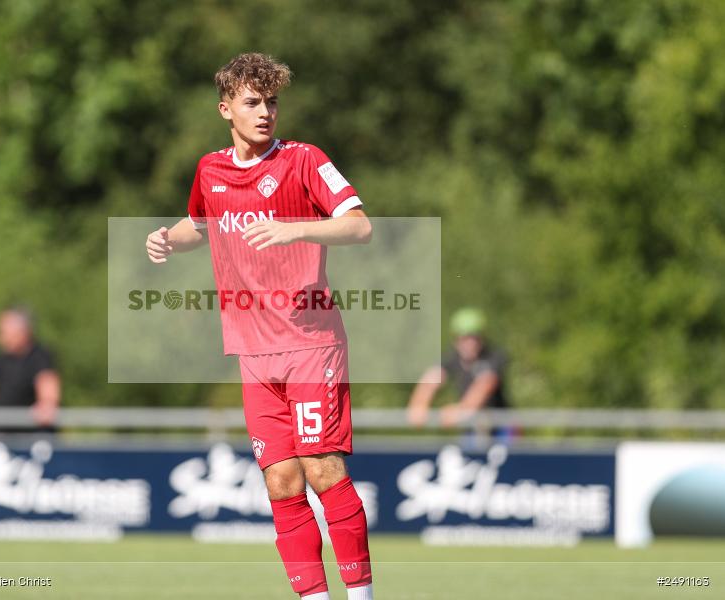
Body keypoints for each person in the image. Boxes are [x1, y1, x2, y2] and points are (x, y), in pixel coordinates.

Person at [145, 53, 374, 600]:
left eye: (272, 102)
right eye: (253, 102)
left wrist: (296, 230)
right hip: (253, 350)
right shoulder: (210, 170)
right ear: (226, 109)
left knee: (321, 468)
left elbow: (359, 226)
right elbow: (200, 223)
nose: (266, 112)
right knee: (281, 480)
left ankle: (360, 596)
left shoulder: (304, 161)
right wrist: (167, 239)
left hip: (310, 341)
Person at [406, 307, 509, 431]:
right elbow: (431, 379)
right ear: (456, 339)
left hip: (501, 426)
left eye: (474, 338)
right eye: (465, 338)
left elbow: (485, 385)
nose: (470, 344)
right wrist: (418, 407)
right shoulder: (452, 357)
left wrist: (460, 411)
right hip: (472, 427)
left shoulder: (493, 357)